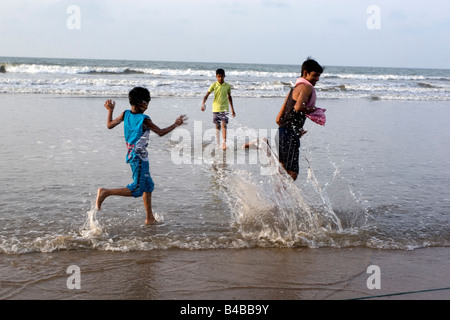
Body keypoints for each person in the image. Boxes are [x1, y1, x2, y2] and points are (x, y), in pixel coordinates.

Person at [96, 87, 187, 225]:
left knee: (148, 186)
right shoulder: (144, 119)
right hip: (138, 157)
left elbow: (109, 125)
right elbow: (160, 132)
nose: (148, 105)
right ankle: (106, 192)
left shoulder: (125, 114)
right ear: (142, 104)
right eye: (147, 102)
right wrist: (176, 124)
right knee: (138, 189)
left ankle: (149, 218)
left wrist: (110, 110)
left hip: (137, 156)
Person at [276, 58, 323, 181]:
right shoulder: (307, 88)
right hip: (289, 135)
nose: (317, 79)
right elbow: (298, 107)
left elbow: (278, 119)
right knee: (292, 173)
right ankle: (263, 145)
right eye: (315, 75)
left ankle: (278, 199)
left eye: (319, 76)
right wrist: (313, 109)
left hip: (281, 133)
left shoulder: (293, 89)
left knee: (283, 171)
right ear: (305, 73)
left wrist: (296, 131)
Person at [201, 68, 236, 150]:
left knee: (224, 125)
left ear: (224, 76)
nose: (220, 78)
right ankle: (218, 143)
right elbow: (207, 95)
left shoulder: (227, 86)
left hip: (225, 108)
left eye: (222, 76)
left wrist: (232, 109)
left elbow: (229, 97)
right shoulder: (214, 85)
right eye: (219, 76)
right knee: (217, 126)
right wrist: (203, 104)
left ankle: (224, 143)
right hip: (215, 108)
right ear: (216, 76)